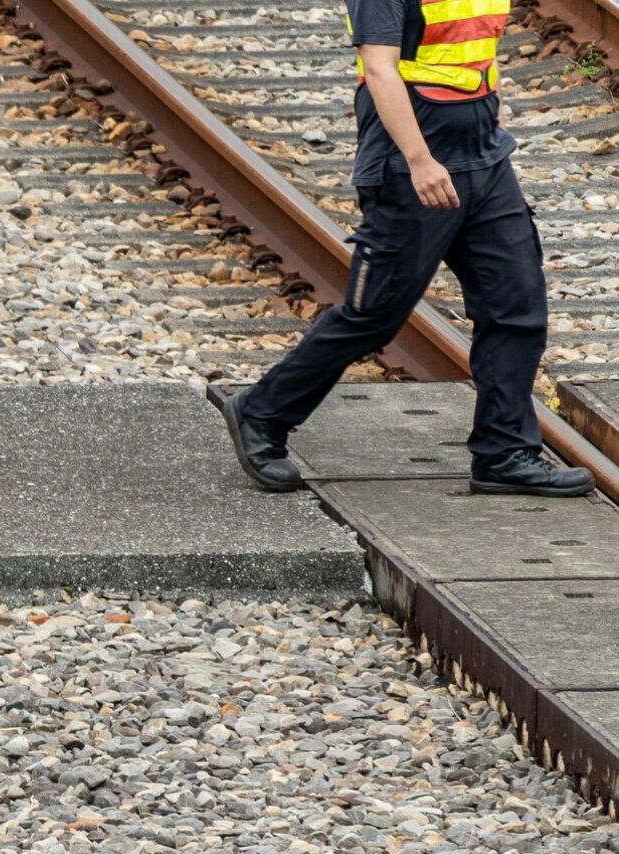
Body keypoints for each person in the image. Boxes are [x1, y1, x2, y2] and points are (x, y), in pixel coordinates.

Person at [220, 0, 591, 498]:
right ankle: (262, 412)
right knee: (375, 313)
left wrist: (492, 99)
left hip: (484, 158)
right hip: (410, 165)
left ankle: (504, 452)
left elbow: (476, 45)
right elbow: (379, 67)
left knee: (516, 305)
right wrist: (419, 160)